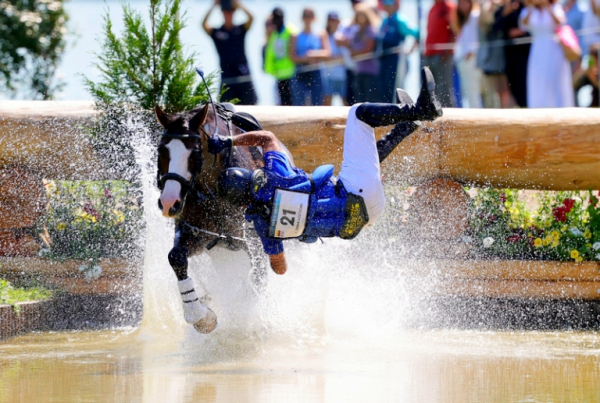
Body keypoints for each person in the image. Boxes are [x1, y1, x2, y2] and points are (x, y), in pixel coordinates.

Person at [207, 68, 443, 274]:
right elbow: (267, 137)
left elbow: (280, 268)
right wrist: (227, 142)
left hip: (365, 220)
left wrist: (275, 236)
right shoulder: (273, 173)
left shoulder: (262, 224)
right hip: (357, 191)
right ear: (248, 176)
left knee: (358, 163)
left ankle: (406, 126)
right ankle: (419, 110)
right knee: (358, 114)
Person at [520, 0, 575, 107]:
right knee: (538, 78)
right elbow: (523, 26)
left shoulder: (555, 7)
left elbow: (560, 21)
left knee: (554, 78)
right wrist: (531, 7)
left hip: (554, 48)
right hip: (537, 49)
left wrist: (547, 6)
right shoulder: (528, 10)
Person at [202, 0, 257, 105]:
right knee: (226, 111)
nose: (229, 14)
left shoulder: (240, 29)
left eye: (231, 11)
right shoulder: (218, 32)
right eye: (226, 11)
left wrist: (238, 3)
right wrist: (214, 5)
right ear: (222, 12)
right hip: (227, 79)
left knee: (251, 109)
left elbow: (252, 18)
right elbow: (203, 24)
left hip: (244, 77)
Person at [379, 0, 420, 103]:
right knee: (385, 90)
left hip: (398, 61)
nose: (387, 6)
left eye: (389, 3)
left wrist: (409, 50)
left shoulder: (400, 20)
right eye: (385, 3)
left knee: (396, 89)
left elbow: (417, 33)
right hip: (385, 62)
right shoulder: (385, 21)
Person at [290, 8, 330, 106]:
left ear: (314, 17)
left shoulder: (320, 34)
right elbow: (291, 57)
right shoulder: (295, 36)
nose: (308, 18)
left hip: (316, 71)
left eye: (310, 15)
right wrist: (306, 58)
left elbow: (327, 53)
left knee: (317, 103)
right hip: (300, 71)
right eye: (305, 15)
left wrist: (313, 54)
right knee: (299, 103)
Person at [494, 0, 531, 107]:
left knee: (524, 86)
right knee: (514, 86)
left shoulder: (525, 7)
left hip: (525, 54)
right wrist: (505, 13)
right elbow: (495, 28)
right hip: (509, 56)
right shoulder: (502, 10)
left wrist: (520, 31)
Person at [344, 3, 382, 102]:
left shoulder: (370, 30)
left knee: (370, 101)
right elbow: (352, 52)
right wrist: (356, 52)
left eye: (362, 14)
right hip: (358, 71)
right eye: (358, 14)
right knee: (359, 101)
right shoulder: (356, 32)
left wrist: (356, 52)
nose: (360, 17)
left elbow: (367, 51)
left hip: (370, 72)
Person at [424, 0, 457, 106]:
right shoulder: (433, 8)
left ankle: (450, 119)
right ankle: (436, 120)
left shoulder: (448, 6)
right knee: (431, 92)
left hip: (442, 56)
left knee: (444, 91)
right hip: (430, 55)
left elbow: (455, 30)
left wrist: (447, 51)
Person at [451, 0, 483, 107]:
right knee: (467, 91)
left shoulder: (475, 16)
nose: (463, 5)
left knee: (473, 91)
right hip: (462, 59)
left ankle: (478, 119)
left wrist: (471, 52)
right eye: (461, 3)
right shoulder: (463, 19)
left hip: (471, 59)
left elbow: (477, 37)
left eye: (465, 2)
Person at [265, 7, 296, 106]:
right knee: (281, 104)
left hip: (291, 76)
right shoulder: (275, 33)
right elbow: (270, 53)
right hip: (278, 75)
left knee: (291, 105)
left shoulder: (291, 31)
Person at [321, 12, 348, 106]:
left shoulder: (343, 35)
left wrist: (332, 58)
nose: (333, 22)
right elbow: (326, 56)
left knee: (345, 103)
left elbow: (345, 57)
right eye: (331, 20)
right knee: (327, 103)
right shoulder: (324, 35)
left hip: (342, 75)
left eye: (335, 20)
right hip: (328, 76)